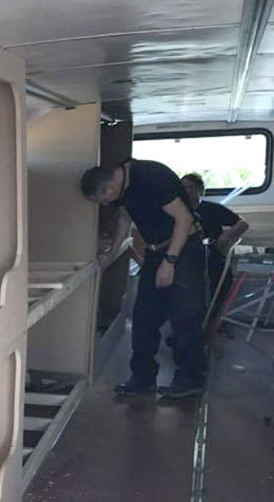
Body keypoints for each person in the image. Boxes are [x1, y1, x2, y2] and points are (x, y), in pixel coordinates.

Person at [81, 160, 207, 398]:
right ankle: (142, 377)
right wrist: (112, 253)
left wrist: (169, 262)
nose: (105, 203)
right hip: (155, 251)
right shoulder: (122, 187)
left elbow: (184, 218)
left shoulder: (150, 177)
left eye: (103, 199)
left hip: (183, 250)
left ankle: (190, 379)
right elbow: (124, 217)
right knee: (144, 317)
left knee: (184, 317)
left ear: (108, 188)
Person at [181, 173, 249, 325]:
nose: (186, 191)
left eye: (190, 187)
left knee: (220, 276)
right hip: (186, 255)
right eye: (183, 187)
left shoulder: (213, 209)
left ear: (200, 190)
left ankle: (212, 320)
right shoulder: (178, 210)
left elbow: (243, 224)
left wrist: (226, 236)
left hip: (211, 253)